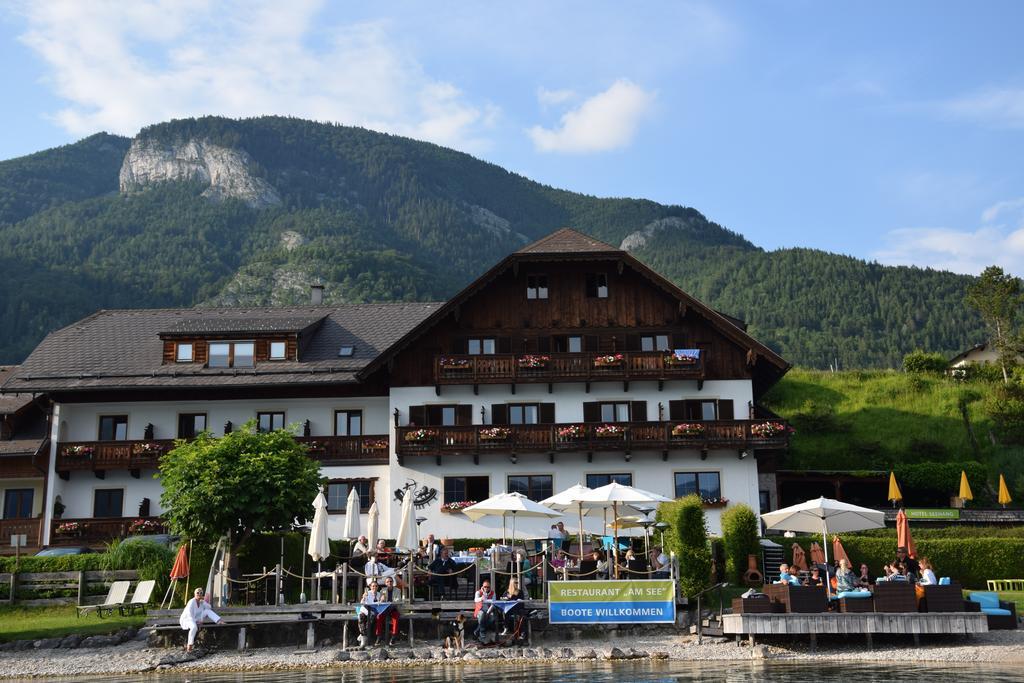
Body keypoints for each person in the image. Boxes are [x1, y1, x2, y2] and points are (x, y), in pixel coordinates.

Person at [179, 587, 223, 653]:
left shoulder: (201, 602)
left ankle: (218, 621)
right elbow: (189, 614)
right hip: (187, 619)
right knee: (194, 627)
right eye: (197, 593)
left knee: (207, 611)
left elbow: (209, 607)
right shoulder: (191, 602)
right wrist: (196, 621)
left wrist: (204, 602)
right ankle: (189, 645)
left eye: (201, 593)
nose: (199, 594)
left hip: (196, 618)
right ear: (194, 594)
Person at [375, 576, 402, 646]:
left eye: (391, 581)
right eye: (387, 582)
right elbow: (380, 602)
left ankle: (394, 636)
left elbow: (398, 600)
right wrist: (382, 600)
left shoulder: (398, 590)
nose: (389, 583)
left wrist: (389, 603)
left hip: (393, 608)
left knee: (396, 616)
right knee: (379, 616)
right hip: (385, 609)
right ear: (385, 583)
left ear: (393, 582)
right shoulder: (382, 591)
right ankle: (379, 636)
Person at [357, 580, 380, 647]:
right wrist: (364, 597)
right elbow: (362, 603)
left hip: (373, 612)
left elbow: (379, 604)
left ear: (378, 587)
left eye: (376, 586)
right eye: (373, 586)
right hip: (365, 610)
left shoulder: (379, 594)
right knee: (361, 617)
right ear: (370, 587)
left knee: (371, 618)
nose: (374, 587)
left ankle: (362, 635)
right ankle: (364, 638)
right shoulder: (367, 593)